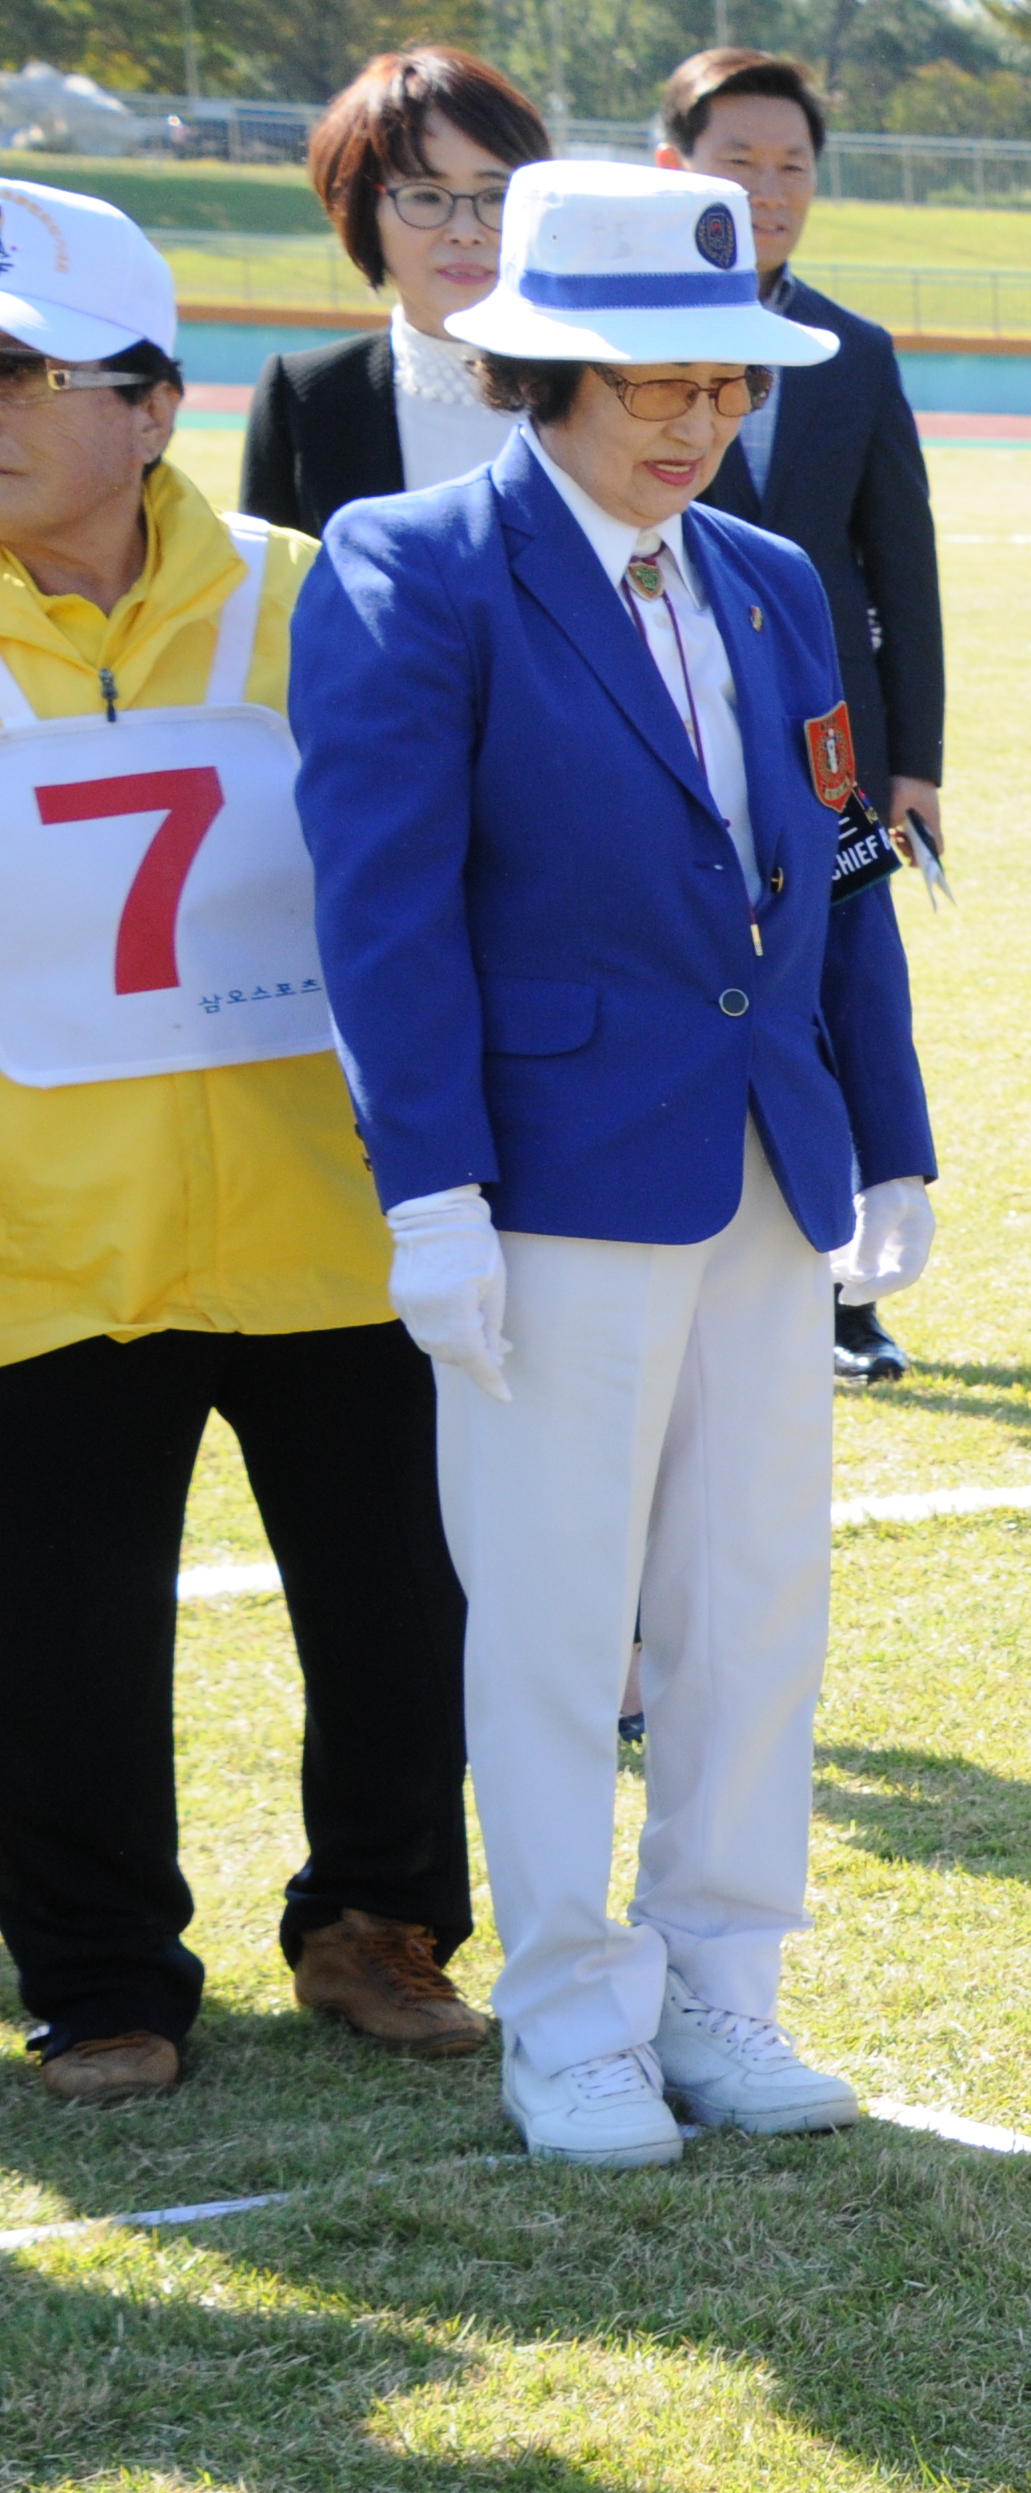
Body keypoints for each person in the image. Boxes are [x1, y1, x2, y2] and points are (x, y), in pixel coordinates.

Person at [292, 158, 939, 2169]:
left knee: (755, 1603)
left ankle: (722, 1984)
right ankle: (571, 2015)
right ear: (543, 374)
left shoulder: (769, 579)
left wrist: (890, 1138)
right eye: (650, 384)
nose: (693, 425)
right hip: (549, 1180)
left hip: (767, 1169)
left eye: (724, 391)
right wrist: (430, 1190)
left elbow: (841, 876)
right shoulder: (409, 567)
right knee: (562, 1622)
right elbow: (381, 912)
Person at [0, 181, 478, 2104]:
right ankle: (102, 1973)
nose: (2, 404)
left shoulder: (316, 594)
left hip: (330, 1218)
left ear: (153, 406)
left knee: (396, 1610)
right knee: (56, 1636)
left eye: (33, 371)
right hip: (43, 1239)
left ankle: (379, 1924)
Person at [653, 47, 947, 1386]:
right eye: (739, 162)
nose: (772, 191)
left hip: (830, 758)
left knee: (836, 1004)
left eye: (794, 167)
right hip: (659, 743)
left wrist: (915, 766)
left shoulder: (856, 349)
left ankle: (842, 1290)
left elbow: (904, 567)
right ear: (677, 170)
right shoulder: (618, 352)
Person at [240, 47, 558, 538]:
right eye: (425, 196)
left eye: (497, 196)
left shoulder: (612, 388)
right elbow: (272, 603)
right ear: (363, 211)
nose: (465, 230)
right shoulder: (307, 399)